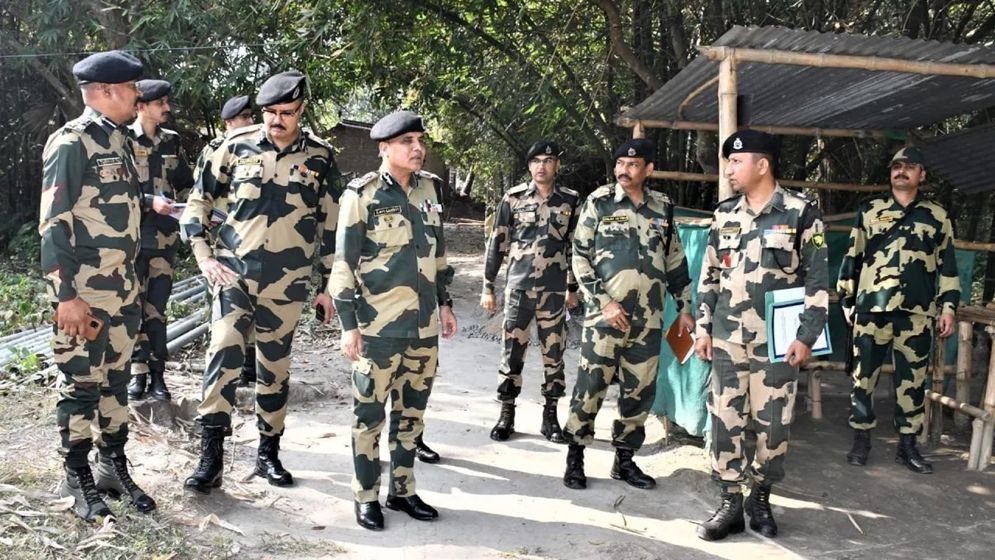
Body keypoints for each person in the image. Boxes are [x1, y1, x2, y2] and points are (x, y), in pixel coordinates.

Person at [180, 70, 340, 494]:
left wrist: (327, 286)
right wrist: (204, 256)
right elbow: (198, 201)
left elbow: (330, 224)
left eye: (287, 113)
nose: (276, 121)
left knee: (274, 367)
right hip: (234, 275)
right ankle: (210, 456)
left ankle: (268, 452)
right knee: (223, 351)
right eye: (270, 112)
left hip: (287, 284)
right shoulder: (234, 146)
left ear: (302, 110)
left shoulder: (321, 157)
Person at [40, 50, 159, 522]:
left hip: (123, 289)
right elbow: (54, 222)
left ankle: (112, 465)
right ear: (107, 91)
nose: (138, 96)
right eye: (132, 88)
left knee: (115, 383)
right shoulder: (72, 143)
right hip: (85, 294)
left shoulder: (120, 141)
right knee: (81, 386)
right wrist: (65, 296)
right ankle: (78, 474)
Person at [694, 130, 828, 541]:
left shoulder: (801, 212)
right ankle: (731, 502)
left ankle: (761, 496)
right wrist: (703, 327)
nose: (730, 169)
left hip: (777, 343)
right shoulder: (724, 215)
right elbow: (710, 275)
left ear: (762, 165)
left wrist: (806, 336)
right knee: (725, 423)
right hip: (728, 339)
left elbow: (818, 280)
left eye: (736, 162)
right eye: (728, 162)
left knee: (773, 427)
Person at [329, 110, 457, 531]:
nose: (417, 148)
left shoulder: (431, 191)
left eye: (420, 140)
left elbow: (438, 256)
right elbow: (344, 265)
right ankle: (366, 496)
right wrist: (349, 325)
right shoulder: (361, 195)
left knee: (411, 417)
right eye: (407, 142)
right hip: (377, 329)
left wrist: (445, 303)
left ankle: (402, 491)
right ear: (384, 148)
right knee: (369, 418)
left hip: (423, 329)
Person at [562, 138, 693, 492]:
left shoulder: (662, 207)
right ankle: (576, 456)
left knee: (639, 392)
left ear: (648, 169)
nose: (624, 169)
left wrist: (685, 307)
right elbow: (579, 255)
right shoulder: (599, 202)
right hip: (606, 320)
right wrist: (603, 301)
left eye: (633, 165)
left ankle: (625, 461)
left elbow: (675, 260)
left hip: (648, 320)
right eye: (620, 163)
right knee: (591, 387)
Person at [837, 146, 959, 474]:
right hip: (872, 309)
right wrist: (847, 301)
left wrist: (948, 306)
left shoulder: (937, 216)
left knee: (913, 380)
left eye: (910, 166)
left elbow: (947, 265)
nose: (901, 171)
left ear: (922, 174)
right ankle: (861, 438)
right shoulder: (870, 211)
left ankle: (908, 444)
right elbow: (853, 256)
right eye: (896, 166)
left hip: (916, 314)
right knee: (864, 378)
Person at [481, 139, 579, 443]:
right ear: (529, 166)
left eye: (548, 160)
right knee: (511, 355)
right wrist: (488, 286)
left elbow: (577, 247)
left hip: (553, 293)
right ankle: (506, 415)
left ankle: (550, 418)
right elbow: (496, 244)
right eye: (536, 161)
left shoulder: (571, 201)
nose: (541, 166)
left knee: (555, 356)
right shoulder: (512, 199)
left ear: (557, 166)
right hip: (518, 291)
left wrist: (572, 288)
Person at [126, 79, 193, 401]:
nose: (166, 108)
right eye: (159, 103)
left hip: (162, 242)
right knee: (132, 309)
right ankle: (136, 375)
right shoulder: (122, 141)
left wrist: (187, 207)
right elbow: (114, 191)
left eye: (166, 101)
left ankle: (157, 376)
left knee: (157, 310)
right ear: (141, 106)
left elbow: (186, 183)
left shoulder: (172, 142)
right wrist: (147, 200)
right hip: (129, 241)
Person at [193, 94, 258, 388]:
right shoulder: (214, 150)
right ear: (229, 123)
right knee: (224, 306)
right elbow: (201, 195)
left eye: (250, 116)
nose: (250, 122)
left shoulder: (259, 144)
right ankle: (225, 369)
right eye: (243, 118)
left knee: (256, 306)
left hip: (251, 238)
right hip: (221, 238)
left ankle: (251, 366)